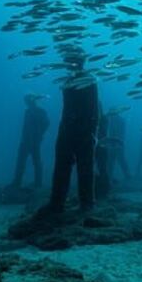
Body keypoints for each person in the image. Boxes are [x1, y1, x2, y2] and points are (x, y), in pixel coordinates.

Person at [41, 45, 99, 214]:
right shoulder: (67, 82)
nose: (68, 63)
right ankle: (57, 202)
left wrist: (92, 132)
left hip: (83, 130)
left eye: (72, 60)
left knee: (85, 168)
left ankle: (87, 204)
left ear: (80, 61)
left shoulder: (89, 80)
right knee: (61, 167)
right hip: (66, 129)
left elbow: (94, 110)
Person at [11, 94, 50, 189]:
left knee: (34, 162)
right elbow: (26, 127)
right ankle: (18, 182)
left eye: (27, 100)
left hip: (33, 141)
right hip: (26, 140)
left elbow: (46, 124)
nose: (27, 102)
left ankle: (37, 183)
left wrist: (39, 135)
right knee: (22, 162)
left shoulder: (39, 111)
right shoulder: (28, 112)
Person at [106, 107, 131, 181]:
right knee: (117, 160)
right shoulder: (118, 120)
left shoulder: (116, 121)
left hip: (116, 144)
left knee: (116, 160)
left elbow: (117, 133)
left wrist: (115, 144)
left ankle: (126, 175)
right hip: (116, 143)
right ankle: (127, 175)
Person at [94, 102, 111, 200]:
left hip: (98, 146)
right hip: (103, 146)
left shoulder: (100, 119)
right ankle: (104, 190)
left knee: (101, 168)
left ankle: (101, 189)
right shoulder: (105, 118)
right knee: (102, 168)